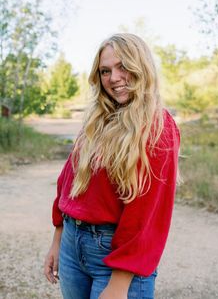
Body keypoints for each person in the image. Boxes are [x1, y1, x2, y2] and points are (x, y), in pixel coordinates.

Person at [44, 33, 180, 299]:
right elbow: (68, 182)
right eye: (105, 71)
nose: (114, 78)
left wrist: (119, 282)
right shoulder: (98, 119)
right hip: (73, 243)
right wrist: (58, 239)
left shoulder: (158, 127)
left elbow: (147, 214)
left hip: (114, 256)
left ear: (142, 68)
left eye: (123, 67)